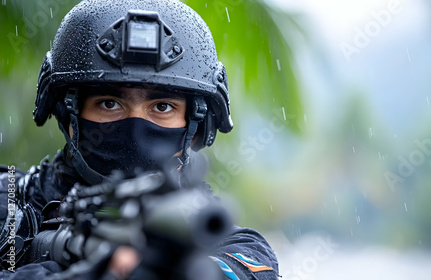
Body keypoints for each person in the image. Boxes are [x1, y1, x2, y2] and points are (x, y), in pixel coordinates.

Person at [0, 0, 279, 279]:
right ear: (65, 113)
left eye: (162, 107)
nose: (135, 127)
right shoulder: (10, 202)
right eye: (109, 103)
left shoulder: (224, 238)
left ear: (194, 125)